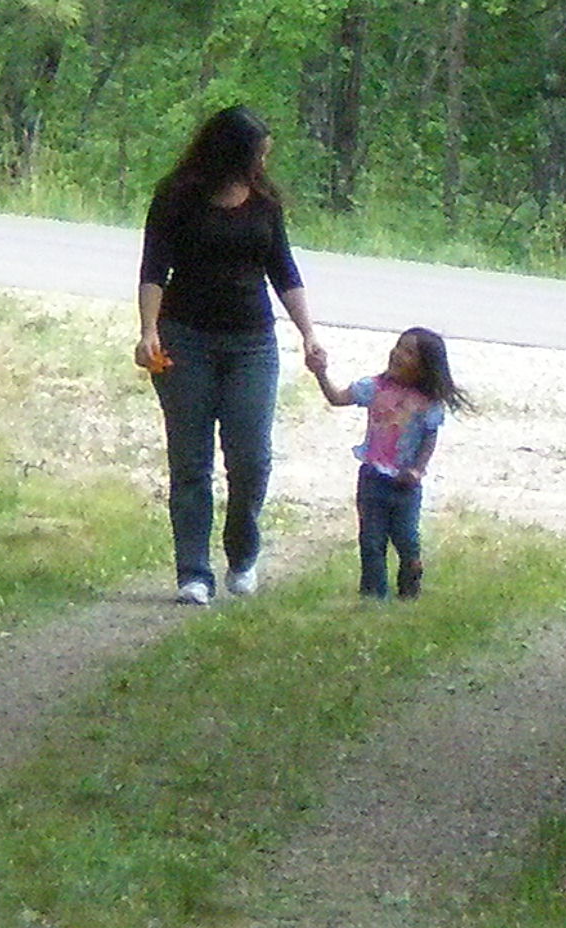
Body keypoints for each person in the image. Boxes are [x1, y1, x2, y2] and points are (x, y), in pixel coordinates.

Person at [136, 105, 326, 605]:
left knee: (250, 458)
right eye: (259, 152)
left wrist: (309, 334)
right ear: (232, 152)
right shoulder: (176, 197)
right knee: (191, 462)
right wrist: (148, 330)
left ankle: (243, 553)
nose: (264, 161)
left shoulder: (265, 202)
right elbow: (154, 267)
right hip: (185, 339)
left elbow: (283, 269)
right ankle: (193, 572)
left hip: (252, 343)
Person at [309, 327, 471, 599]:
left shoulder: (428, 403)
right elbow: (337, 398)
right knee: (371, 540)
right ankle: (374, 595)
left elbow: (429, 438)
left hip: (405, 484)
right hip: (373, 477)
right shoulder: (374, 387)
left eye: (408, 351)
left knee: (406, 537)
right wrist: (321, 372)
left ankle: (411, 577)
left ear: (425, 366)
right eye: (398, 346)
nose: (397, 353)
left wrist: (418, 469)